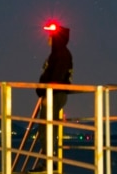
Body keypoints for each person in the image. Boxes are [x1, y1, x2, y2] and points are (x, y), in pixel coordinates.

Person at [29, 23, 73, 173]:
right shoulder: (57, 54)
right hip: (52, 95)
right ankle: (49, 162)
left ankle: (49, 163)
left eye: (51, 35)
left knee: (46, 129)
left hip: (53, 96)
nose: (48, 38)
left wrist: (48, 93)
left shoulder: (61, 54)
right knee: (48, 129)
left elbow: (57, 77)